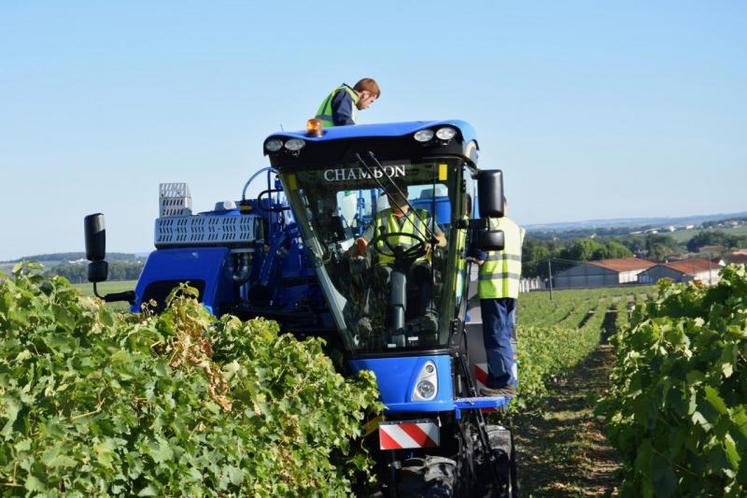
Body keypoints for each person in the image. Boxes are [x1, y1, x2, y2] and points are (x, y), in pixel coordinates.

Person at [352, 185, 446, 318]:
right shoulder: (380, 217)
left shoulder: (423, 216)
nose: (392, 197)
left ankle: (429, 315)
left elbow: (442, 239)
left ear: (406, 194)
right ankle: (368, 318)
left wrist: (433, 242)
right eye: (389, 195)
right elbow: (364, 239)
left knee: (426, 274)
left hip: (416, 261)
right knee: (375, 276)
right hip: (388, 263)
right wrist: (360, 244)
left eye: (396, 194)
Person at [476, 200, 525, 397]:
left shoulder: (489, 225)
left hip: (493, 289)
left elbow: (480, 258)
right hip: (510, 289)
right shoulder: (514, 227)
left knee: (496, 338)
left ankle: (504, 382)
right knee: (503, 335)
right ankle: (500, 381)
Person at [315, 78, 380, 127]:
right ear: (366, 95)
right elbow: (343, 119)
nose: (369, 106)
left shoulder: (346, 97)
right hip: (329, 139)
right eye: (371, 101)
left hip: (323, 138)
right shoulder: (345, 94)